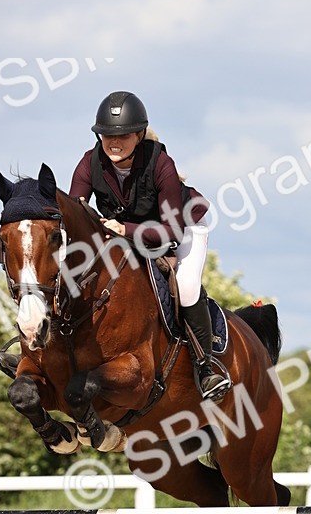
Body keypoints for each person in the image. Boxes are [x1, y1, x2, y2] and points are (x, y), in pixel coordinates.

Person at [69, 91, 230, 401]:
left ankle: (205, 368)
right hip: (125, 233)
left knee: (185, 287)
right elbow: (76, 214)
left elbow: (172, 231)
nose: (114, 142)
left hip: (181, 228)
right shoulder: (89, 163)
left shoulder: (160, 164)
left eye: (123, 135)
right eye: (107, 135)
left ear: (139, 135)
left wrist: (123, 229)